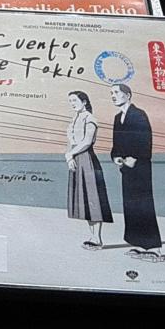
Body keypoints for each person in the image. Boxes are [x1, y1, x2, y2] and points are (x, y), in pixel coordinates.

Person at [110, 83, 162, 261]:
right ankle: (138, 244)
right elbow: (116, 143)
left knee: (144, 203)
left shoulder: (139, 114)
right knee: (130, 204)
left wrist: (136, 157)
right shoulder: (118, 117)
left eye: (116, 92)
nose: (113, 95)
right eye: (111, 93)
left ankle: (153, 247)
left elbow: (146, 139)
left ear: (128, 95)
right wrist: (116, 157)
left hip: (140, 166)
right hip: (126, 167)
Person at [65, 90, 112, 250]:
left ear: (84, 101)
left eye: (74, 100)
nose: (72, 104)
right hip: (75, 159)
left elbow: (87, 142)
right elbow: (70, 142)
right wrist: (69, 158)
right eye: (70, 101)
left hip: (87, 159)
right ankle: (93, 236)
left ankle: (97, 238)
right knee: (84, 198)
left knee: (93, 198)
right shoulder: (74, 119)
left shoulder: (90, 118)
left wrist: (71, 154)